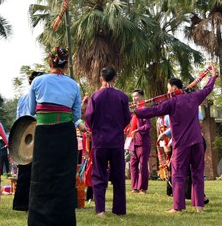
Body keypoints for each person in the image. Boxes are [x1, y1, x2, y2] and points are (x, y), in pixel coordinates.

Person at [134, 64, 217, 213]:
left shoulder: (171, 102)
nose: (167, 91)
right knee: (197, 173)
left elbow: (153, 111)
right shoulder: (194, 97)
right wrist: (213, 76)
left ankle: (178, 207)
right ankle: (199, 207)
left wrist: (135, 111)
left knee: (178, 174)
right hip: (197, 142)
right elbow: (207, 89)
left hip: (182, 145)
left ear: (173, 88)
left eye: (168, 88)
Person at [27, 46, 85, 226]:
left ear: (49, 61)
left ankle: (39, 219)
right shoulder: (73, 84)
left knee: (41, 174)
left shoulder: (37, 82)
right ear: (66, 64)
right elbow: (76, 115)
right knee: (64, 176)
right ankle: (63, 219)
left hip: (44, 133)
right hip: (65, 134)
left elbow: (31, 111)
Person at [85, 67, 131, 217]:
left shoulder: (95, 96)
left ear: (101, 79)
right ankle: (119, 210)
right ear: (114, 78)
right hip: (117, 140)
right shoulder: (122, 96)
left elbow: (89, 118)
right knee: (118, 175)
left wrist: (97, 130)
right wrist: (117, 128)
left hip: (100, 141)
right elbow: (127, 119)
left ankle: (100, 210)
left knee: (98, 175)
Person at [13, 71, 43, 212]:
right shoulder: (41, 98)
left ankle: (21, 203)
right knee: (35, 171)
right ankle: (31, 202)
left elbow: (18, 118)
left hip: (24, 135)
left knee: (25, 171)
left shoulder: (23, 98)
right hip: (36, 134)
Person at [128, 88, 151, 195]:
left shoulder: (144, 109)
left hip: (143, 142)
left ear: (142, 97)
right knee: (133, 165)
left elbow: (148, 125)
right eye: (133, 97)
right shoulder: (134, 111)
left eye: (136, 96)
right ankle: (134, 188)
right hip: (133, 142)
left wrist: (138, 130)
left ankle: (143, 188)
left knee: (143, 166)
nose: (134, 98)